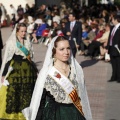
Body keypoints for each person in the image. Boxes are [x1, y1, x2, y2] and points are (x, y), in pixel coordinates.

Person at [22, 36, 92, 120]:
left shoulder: (77, 70)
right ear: (54, 51)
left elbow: (83, 96)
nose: (66, 52)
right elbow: (40, 100)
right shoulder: (46, 73)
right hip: (55, 114)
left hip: (75, 114)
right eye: (61, 49)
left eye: (68, 48)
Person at [0, 23, 37, 119]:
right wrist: (4, 74)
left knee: (26, 92)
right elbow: (7, 59)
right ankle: (15, 114)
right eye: (22, 31)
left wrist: (35, 70)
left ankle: (25, 112)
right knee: (15, 92)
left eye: (25, 31)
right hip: (16, 70)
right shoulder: (11, 42)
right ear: (17, 31)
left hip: (27, 70)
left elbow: (30, 58)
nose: (24, 33)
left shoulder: (28, 41)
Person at [106, 12, 120, 83]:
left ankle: (119, 77)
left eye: (113, 20)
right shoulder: (112, 28)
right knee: (113, 63)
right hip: (111, 48)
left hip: (118, 48)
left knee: (118, 63)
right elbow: (110, 38)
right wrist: (107, 47)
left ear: (116, 20)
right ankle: (113, 76)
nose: (112, 21)